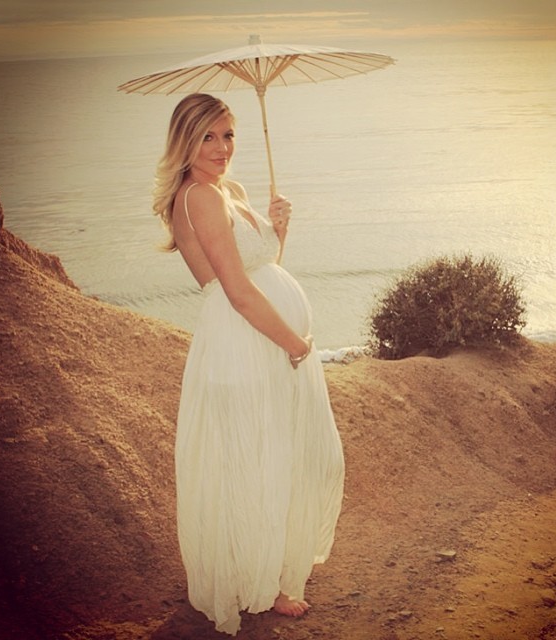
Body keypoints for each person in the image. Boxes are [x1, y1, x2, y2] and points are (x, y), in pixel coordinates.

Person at [152, 93, 345, 636]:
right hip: (245, 343)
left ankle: (268, 570)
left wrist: (279, 229)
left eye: (228, 134)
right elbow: (235, 292)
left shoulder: (228, 192)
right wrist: (296, 345)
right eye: (208, 137)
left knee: (274, 452)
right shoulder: (198, 197)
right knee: (255, 456)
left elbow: (263, 270)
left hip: (263, 341)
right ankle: (258, 580)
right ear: (185, 141)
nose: (222, 147)